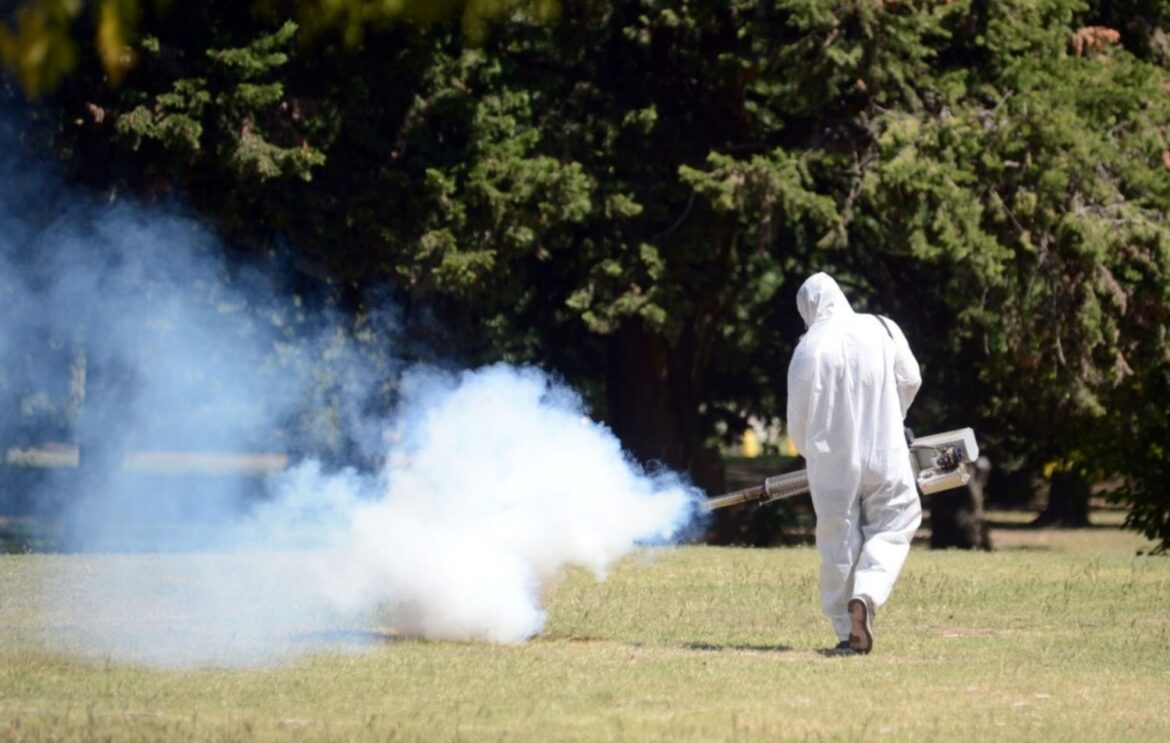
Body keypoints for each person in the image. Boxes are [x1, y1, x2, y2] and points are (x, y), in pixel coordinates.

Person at [785, 272, 922, 655]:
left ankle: (848, 631)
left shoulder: (809, 347)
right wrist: (893, 418)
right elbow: (911, 378)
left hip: (832, 461)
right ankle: (867, 593)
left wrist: (810, 452)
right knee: (897, 520)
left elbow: (797, 418)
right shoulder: (882, 327)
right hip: (886, 451)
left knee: (838, 540)